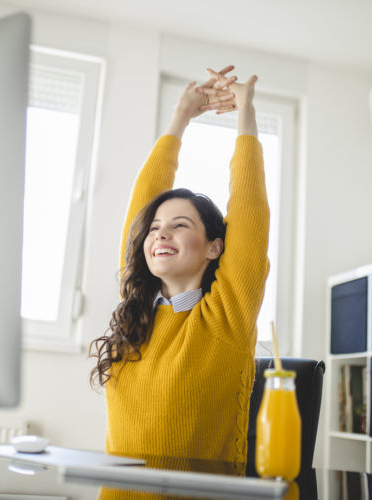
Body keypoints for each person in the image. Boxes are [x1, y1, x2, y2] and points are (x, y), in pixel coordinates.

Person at [89, 65, 270, 473]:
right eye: (155, 229)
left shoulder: (226, 316)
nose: (160, 235)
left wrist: (245, 111)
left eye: (179, 226)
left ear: (214, 247)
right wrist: (180, 117)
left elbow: (250, 211)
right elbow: (142, 208)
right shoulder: (136, 311)